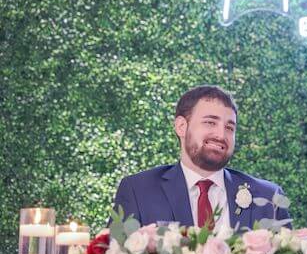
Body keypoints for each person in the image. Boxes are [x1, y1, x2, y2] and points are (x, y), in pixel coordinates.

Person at [113, 85, 291, 231]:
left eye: (230, 127)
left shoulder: (269, 197)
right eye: (210, 122)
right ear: (181, 127)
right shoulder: (138, 191)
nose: (221, 135)